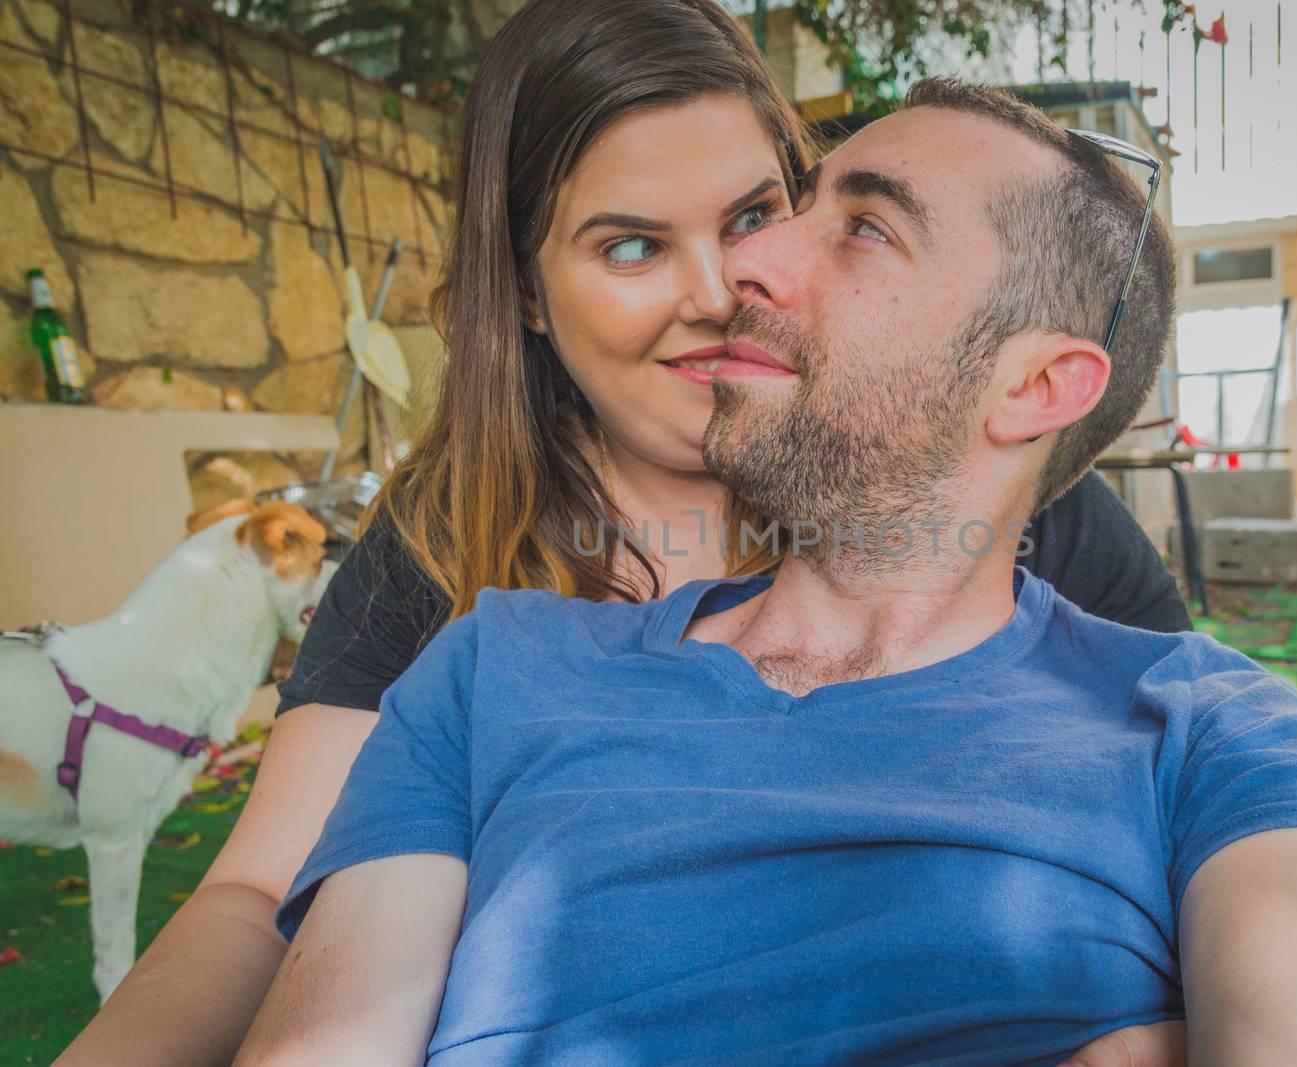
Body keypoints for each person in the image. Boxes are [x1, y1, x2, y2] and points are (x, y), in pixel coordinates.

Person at [233, 79, 1297, 1066]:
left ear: (1036, 385)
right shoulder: (491, 667)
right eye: (791, 207)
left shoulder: (1214, 736)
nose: (743, 269)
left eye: (865, 228)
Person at [59, 3, 1188, 1065]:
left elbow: (1175, 822)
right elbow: (259, 895)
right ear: (531, 296)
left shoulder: (1003, 512)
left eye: (754, 215)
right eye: (632, 247)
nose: (725, 285)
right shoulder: (448, 547)